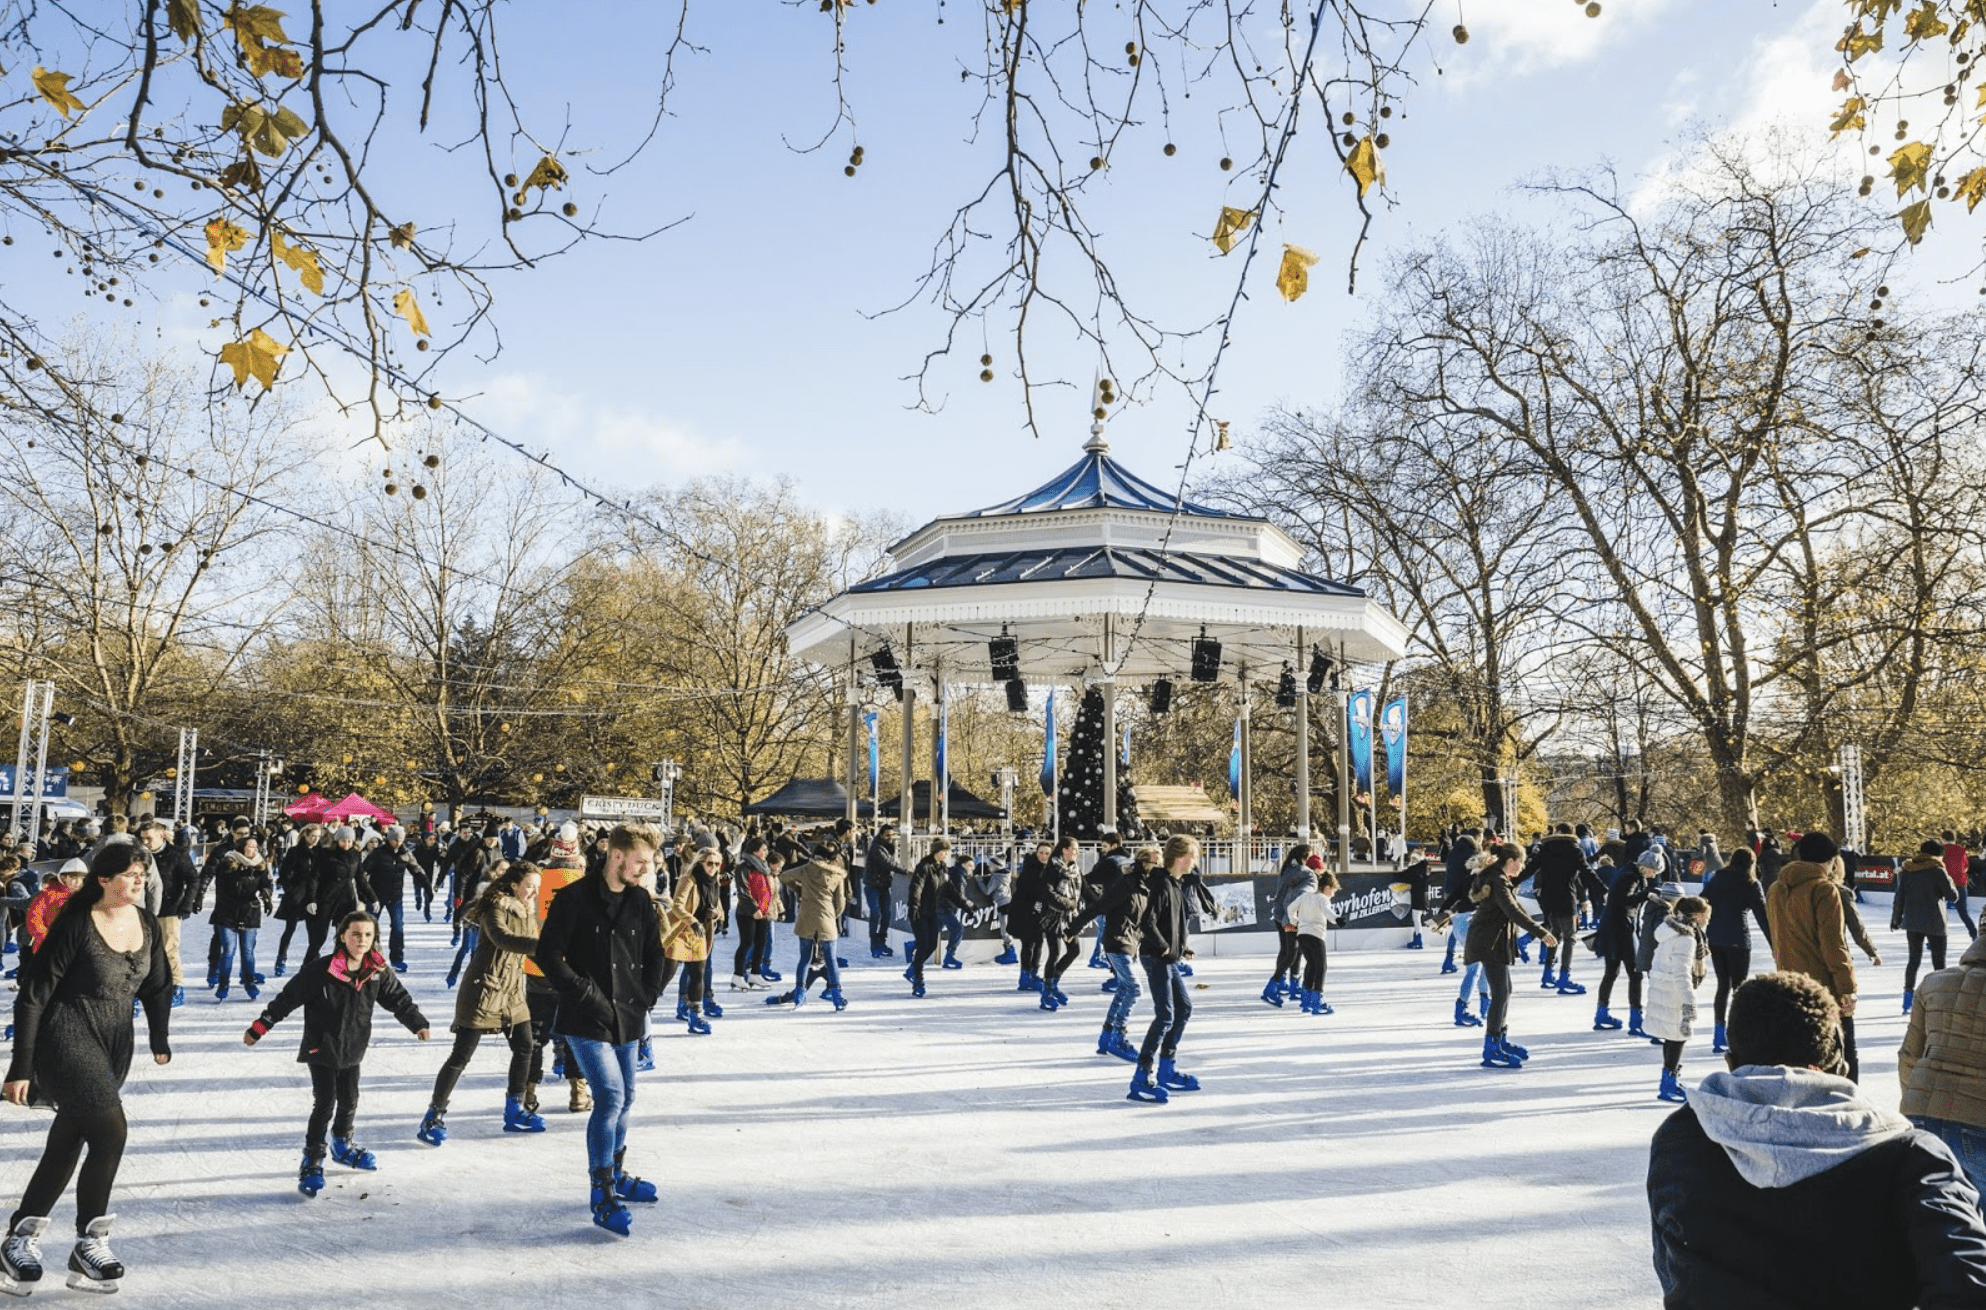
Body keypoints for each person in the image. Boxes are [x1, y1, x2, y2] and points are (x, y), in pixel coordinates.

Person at [1648, 970, 1986, 1308]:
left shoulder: (1680, 1139)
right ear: (1839, 1063)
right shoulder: (1912, 1157)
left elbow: (1673, 1271)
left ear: (1731, 1061)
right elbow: (1969, 1283)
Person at [0, 844, 172, 1296]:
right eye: (131, 874)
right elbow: (33, 994)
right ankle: (89, 1243)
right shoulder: (76, 923)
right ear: (103, 879)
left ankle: (19, 1239)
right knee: (111, 1130)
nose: (139, 882)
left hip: (113, 1041)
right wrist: (21, 1065)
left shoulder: (145, 922)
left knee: (69, 1141)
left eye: (142, 875)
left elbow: (157, 985)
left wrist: (159, 1037)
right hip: (64, 1035)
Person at [533, 822, 667, 1236]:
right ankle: (602, 1189)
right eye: (640, 862)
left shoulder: (640, 901)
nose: (646, 869)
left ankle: (618, 1172)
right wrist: (584, 993)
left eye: (649, 863)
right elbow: (548, 955)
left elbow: (654, 954)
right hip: (585, 1016)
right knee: (609, 1097)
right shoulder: (573, 898)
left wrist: (645, 997)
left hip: (627, 1015)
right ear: (616, 855)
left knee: (626, 1099)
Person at [245, 910, 429, 1199]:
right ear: (342, 936)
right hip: (322, 1046)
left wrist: (416, 1022)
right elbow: (288, 998)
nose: (362, 940)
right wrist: (260, 1026)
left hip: (353, 1047)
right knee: (325, 1102)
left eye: (368, 935)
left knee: (350, 1099)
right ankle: (313, 1159)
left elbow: (398, 999)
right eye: (356, 934)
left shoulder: (376, 971)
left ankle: (342, 1143)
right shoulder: (322, 970)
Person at [415, 860, 543, 1146]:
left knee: (525, 1047)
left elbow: (531, 950)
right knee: (461, 1056)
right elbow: (504, 939)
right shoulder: (495, 908)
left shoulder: (527, 912)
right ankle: (433, 1116)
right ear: (513, 885)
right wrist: (542, 946)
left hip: (512, 993)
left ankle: (514, 1109)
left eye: (537, 888)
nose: (533, 893)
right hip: (483, 990)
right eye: (529, 887)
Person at [1767, 830, 1861, 1081]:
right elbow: (1834, 945)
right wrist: (1847, 987)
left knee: (1801, 1055)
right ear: (1829, 860)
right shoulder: (1823, 890)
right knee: (1842, 1053)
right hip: (1823, 988)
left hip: (1788, 984)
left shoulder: (1776, 889)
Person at [1899, 931, 1986, 1184]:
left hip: (1921, 1118)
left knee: (1938, 1216)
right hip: (1979, 1121)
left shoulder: (1933, 982)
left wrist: (1918, 1105)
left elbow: (1908, 1057)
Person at [1465, 842, 1558, 1069]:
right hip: (1488, 942)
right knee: (1500, 993)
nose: (1522, 866)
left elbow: (1517, 908)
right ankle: (1491, 1048)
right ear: (1510, 861)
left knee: (1505, 991)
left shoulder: (1499, 879)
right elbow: (1512, 912)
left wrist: (1539, 927)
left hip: (1491, 941)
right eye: (1520, 862)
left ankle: (1499, 1040)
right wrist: (1542, 932)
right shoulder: (1497, 881)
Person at [1127, 835, 1203, 1105]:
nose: (1195, 862)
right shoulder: (1160, 884)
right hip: (1155, 957)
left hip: (1167, 958)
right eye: (1193, 856)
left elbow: (1173, 923)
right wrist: (1164, 948)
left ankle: (1167, 1069)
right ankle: (1141, 1077)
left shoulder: (1173, 884)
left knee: (1183, 1008)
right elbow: (1146, 922)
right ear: (1182, 857)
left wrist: (1180, 947)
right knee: (1165, 1016)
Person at [520, 824, 590, 1116]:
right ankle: (577, 1092)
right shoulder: (587, 885)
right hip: (573, 970)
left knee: (534, 1033)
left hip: (538, 968)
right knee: (576, 1031)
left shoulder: (537, 881)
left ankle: (529, 1092)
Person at [1079, 844, 1154, 1061]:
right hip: (1117, 942)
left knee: (1124, 988)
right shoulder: (1128, 883)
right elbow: (1101, 906)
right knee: (1134, 988)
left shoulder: (1145, 886)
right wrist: (1074, 927)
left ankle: (1107, 1034)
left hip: (1128, 943)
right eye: (1154, 863)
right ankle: (1117, 1037)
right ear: (1144, 863)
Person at [1701, 845, 1770, 1054]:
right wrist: (1775, 944)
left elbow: (1703, 900)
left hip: (1715, 938)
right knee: (1739, 989)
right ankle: (1737, 1035)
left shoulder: (1717, 878)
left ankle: (1718, 1033)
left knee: (1723, 985)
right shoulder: (1751, 883)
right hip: (1738, 939)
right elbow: (1762, 917)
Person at [1525, 822, 1607, 996]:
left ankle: (1547, 974)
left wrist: (1512, 883)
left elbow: (1530, 869)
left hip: (1548, 899)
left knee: (1554, 935)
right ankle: (1564, 977)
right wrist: (1604, 891)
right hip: (1566, 898)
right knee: (1569, 938)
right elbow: (1587, 872)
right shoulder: (1574, 850)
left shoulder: (1545, 849)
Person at [767, 839, 850, 1011]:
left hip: (806, 916)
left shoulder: (806, 870)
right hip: (827, 917)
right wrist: (833, 914)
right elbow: (840, 902)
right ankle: (836, 996)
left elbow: (783, 877)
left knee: (804, 958)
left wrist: (798, 889)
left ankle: (799, 994)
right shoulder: (837, 875)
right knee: (831, 958)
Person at [1646, 894, 1710, 1103]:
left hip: (1662, 988)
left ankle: (1670, 1080)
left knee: (1671, 1038)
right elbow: (1681, 972)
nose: (1708, 918)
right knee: (1677, 1037)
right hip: (1674, 992)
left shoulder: (1670, 931)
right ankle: (1668, 1084)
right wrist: (1689, 1000)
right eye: (1705, 914)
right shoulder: (1686, 938)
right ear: (1697, 916)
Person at [1594, 850, 1662, 1035]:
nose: (1654, 875)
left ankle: (1601, 1013)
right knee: (1635, 973)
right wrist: (1646, 895)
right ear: (1646, 867)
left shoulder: (1627, 872)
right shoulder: (1630, 877)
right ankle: (1636, 1019)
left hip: (1613, 926)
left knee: (1611, 972)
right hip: (1621, 928)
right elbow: (1623, 901)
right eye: (1653, 871)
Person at [1895, 838, 1959, 1015]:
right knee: (1939, 963)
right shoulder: (1938, 871)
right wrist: (1950, 880)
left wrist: (1896, 919)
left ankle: (1907, 998)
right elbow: (1953, 896)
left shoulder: (1907, 870)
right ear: (1938, 854)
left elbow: (1899, 897)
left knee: (1913, 960)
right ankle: (1942, 999)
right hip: (1935, 922)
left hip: (1912, 922)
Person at [661, 845, 721, 1035]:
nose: (713, 867)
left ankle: (695, 1015)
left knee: (697, 974)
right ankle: (644, 1007)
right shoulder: (689, 879)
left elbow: (718, 908)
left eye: (717, 864)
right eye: (709, 863)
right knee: (666, 974)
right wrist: (693, 921)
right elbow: (677, 906)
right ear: (701, 862)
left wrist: (715, 915)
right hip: (680, 932)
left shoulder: (715, 881)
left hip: (699, 933)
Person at [141, 819, 198, 1008]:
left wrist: (186, 904)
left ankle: (176, 986)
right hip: (144, 909)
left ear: (161, 836)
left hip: (170, 909)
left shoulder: (176, 855)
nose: (145, 843)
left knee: (168, 949)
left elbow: (193, 879)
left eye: (149, 838)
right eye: (142, 839)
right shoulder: (141, 855)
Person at [210, 837, 274, 1002]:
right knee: (229, 951)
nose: (252, 850)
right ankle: (223, 984)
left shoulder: (260, 865)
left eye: (255, 846)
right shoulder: (229, 862)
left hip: (249, 912)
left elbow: (267, 883)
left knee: (247, 952)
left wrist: (267, 895)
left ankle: (249, 982)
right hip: (228, 912)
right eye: (249, 846)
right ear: (242, 848)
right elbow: (221, 886)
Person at [904, 837, 966, 998]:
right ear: (935, 851)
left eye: (946, 852)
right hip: (920, 912)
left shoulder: (943, 868)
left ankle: (913, 969)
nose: (945, 855)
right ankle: (918, 979)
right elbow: (916, 887)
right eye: (942, 852)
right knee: (924, 944)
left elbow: (950, 889)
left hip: (934, 912)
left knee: (931, 945)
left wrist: (966, 904)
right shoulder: (924, 866)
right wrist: (914, 907)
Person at [360, 825, 421, 973]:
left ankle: (397, 959)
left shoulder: (405, 853)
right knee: (370, 927)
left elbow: (417, 870)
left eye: (400, 840)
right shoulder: (378, 853)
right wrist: (365, 893)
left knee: (398, 926)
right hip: (376, 896)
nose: (398, 843)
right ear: (389, 839)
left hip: (395, 896)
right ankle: (370, 958)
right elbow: (362, 872)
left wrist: (427, 886)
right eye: (394, 840)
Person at [1034, 836, 1084, 1012]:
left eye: (1077, 850)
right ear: (1064, 850)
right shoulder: (1052, 868)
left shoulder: (1075, 870)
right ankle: (1046, 992)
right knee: (1054, 952)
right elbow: (1048, 893)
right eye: (1073, 849)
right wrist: (1068, 903)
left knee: (1074, 950)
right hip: (1053, 917)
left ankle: (1053, 981)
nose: (1075, 853)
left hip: (1070, 917)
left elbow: (1085, 890)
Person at [1286, 859, 1341, 1015]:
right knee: (1321, 966)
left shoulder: (1305, 896)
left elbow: (1290, 908)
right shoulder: (1322, 898)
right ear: (1328, 888)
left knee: (1311, 964)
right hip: (1316, 935)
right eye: (1334, 890)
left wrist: (1294, 921)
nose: (1334, 893)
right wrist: (1337, 919)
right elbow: (1328, 912)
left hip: (1302, 935)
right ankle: (1317, 1000)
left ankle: (1306, 1000)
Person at [1264, 844, 1314, 1006]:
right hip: (1290, 917)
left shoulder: (1286, 868)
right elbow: (1300, 895)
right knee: (1293, 952)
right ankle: (1277, 984)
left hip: (1279, 915)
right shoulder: (1306, 873)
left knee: (1287, 950)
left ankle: (1286, 983)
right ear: (1305, 857)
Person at [269, 822, 322, 977]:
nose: (315, 839)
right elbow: (284, 874)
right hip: (297, 895)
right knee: (290, 928)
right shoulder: (295, 852)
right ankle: (281, 958)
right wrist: (291, 891)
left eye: (318, 837)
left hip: (314, 896)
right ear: (305, 835)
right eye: (312, 836)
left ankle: (312, 959)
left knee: (314, 931)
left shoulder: (321, 853)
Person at [729, 836, 777, 992]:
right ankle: (737, 975)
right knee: (747, 943)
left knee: (761, 944)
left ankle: (755, 973)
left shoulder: (763, 867)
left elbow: (766, 889)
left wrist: (767, 906)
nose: (766, 852)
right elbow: (743, 891)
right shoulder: (744, 868)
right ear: (755, 851)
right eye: (763, 849)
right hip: (747, 913)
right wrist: (754, 908)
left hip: (763, 912)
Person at [1010, 838, 1053, 993]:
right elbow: (1027, 890)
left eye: (1046, 853)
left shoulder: (1048, 868)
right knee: (1029, 944)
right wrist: (1036, 905)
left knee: (1039, 942)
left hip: (1038, 913)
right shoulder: (1031, 868)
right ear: (1036, 853)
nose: (1043, 855)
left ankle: (1032, 973)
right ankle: (1025, 976)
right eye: (1041, 852)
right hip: (1026, 912)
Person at [24, 861, 87, 954]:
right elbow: (34, 918)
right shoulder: (48, 895)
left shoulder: (87, 897)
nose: (78, 882)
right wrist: (48, 937)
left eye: (81, 878)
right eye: (73, 877)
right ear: (63, 877)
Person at [861, 825, 905, 959]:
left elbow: (891, 862)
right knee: (875, 913)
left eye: (892, 835)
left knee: (887, 914)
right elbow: (888, 863)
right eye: (887, 835)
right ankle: (874, 943)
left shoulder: (888, 847)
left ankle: (882, 942)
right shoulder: (876, 848)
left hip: (884, 886)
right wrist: (904, 870)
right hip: (872, 885)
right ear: (881, 835)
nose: (890, 838)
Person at [1944, 830, 1979, 941]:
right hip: (1961, 884)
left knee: (1939, 912)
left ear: (1943, 839)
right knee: (1963, 913)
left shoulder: (1942, 851)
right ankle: (1974, 935)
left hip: (1946, 884)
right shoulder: (1961, 850)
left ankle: (1935, 940)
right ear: (1954, 839)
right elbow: (1965, 866)